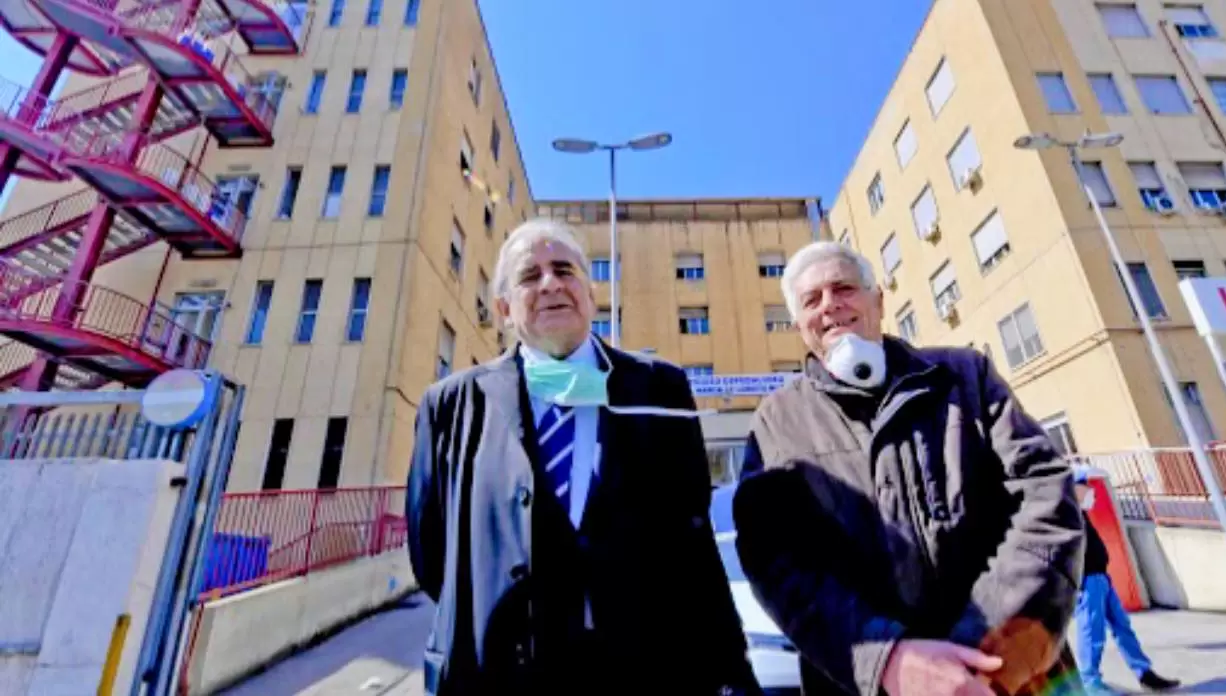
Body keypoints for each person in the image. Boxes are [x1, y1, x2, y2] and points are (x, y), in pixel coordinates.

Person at [406, 219, 760, 695]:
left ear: (590, 296)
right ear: (504, 308)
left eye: (564, 269)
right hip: (502, 675)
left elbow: (693, 543)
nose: (550, 284)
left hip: (646, 670)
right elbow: (432, 552)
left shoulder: (660, 387)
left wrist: (728, 668)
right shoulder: (450, 405)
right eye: (529, 276)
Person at [732, 240, 1087, 696]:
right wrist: (888, 660)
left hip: (1012, 677)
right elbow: (775, 562)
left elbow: (1045, 495)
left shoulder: (966, 376)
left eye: (843, 288)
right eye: (811, 300)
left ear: (878, 301)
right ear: (800, 326)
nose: (830, 305)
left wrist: (981, 654)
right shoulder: (775, 423)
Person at [1072, 468, 1180, 695]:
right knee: (1091, 632)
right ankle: (1089, 682)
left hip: (1101, 577)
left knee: (1123, 628)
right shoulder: (1064, 516)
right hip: (1087, 580)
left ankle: (1144, 673)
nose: (1090, 491)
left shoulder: (1079, 514)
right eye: (1084, 486)